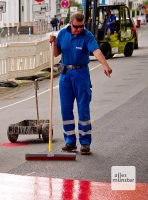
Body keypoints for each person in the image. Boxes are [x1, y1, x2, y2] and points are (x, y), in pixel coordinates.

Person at [49, 12, 112, 155]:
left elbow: (96, 51)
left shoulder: (87, 35)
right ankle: (70, 142)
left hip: (81, 74)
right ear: (70, 23)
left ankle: (85, 143)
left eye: (81, 26)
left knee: (83, 109)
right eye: (76, 27)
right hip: (65, 75)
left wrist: (105, 65)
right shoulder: (63, 34)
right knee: (65, 109)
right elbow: (56, 53)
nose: (79, 29)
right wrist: (53, 42)